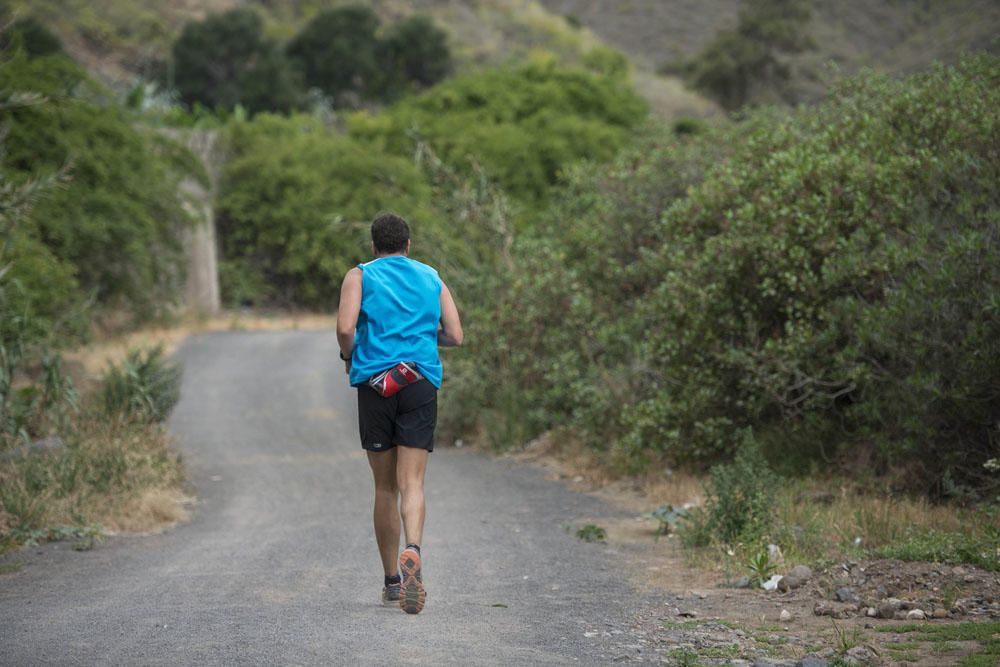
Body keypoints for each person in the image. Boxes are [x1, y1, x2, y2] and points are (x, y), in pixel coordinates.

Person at [336, 212, 464, 615]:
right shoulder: (431, 276)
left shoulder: (359, 276)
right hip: (419, 381)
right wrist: (426, 335)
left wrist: (348, 355)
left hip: (378, 386)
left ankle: (393, 580)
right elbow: (456, 336)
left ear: (374, 246)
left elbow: (345, 329)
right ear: (408, 245)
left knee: (384, 487)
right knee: (413, 483)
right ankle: (414, 549)